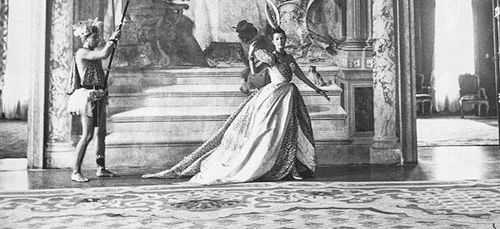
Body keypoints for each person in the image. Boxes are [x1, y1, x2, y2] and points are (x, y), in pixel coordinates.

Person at [143, 28, 330, 184]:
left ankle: (293, 168)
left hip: (290, 95)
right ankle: (268, 165)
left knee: (292, 131)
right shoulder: (269, 57)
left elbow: (302, 76)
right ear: (273, 42)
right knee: (271, 132)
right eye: (277, 39)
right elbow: (256, 70)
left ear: (285, 40)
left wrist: (318, 90)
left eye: (282, 38)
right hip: (274, 96)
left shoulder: (289, 58)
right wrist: (250, 57)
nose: (280, 41)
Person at [67, 18, 118, 182]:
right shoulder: (82, 52)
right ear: (85, 39)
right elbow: (104, 54)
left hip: (99, 96)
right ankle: (75, 171)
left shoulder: (92, 53)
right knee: (87, 135)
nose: (98, 40)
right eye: (94, 38)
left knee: (100, 134)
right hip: (88, 98)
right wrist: (112, 39)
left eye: (98, 37)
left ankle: (101, 168)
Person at [233, 20, 271, 93]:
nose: (240, 36)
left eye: (243, 33)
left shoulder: (261, 40)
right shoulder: (243, 43)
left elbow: (268, 58)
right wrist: (242, 56)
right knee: (246, 73)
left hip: (265, 68)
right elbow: (248, 63)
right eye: (240, 33)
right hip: (254, 67)